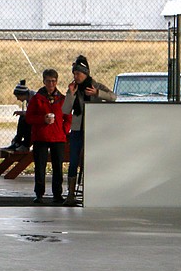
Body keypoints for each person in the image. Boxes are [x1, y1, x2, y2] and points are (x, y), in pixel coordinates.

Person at [60, 55, 115, 206]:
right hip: (77, 129)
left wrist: (97, 94)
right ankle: (71, 194)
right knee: (73, 161)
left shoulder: (95, 86)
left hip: (93, 130)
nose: (75, 76)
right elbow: (65, 110)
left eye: (78, 73)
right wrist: (71, 94)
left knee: (91, 161)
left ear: (86, 73)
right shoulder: (74, 89)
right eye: (74, 73)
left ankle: (91, 192)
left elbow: (113, 97)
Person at [25, 69, 68, 204]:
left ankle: (57, 194)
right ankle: (39, 193)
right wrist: (42, 119)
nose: (51, 84)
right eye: (48, 81)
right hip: (41, 137)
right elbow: (29, 117)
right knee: (40, 167)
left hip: (58, 138)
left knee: (58, 167)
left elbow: (68, 116)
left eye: (54, 81)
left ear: (57, 82)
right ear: (44, 81)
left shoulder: (62, 99)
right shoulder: (37, 99)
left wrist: (64, 130)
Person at [0, 80, 35, 153]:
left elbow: (35, 113)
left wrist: (24, 113)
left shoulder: (34, 98)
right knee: (23, 118)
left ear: (22, 94)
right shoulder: (29, 98)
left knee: (24, 118)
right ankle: (18, 141)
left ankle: (21, 143)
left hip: (40, 121)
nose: (18, 99)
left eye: (18, 96)